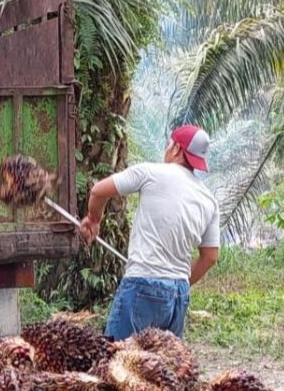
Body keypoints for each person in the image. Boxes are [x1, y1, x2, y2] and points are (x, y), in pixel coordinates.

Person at [78, 125, 220, 341]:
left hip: (142, 284)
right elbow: (210, 257)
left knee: (116, 358)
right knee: (165, 366)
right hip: (178, 293)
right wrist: (174, 283)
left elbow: (98, 190)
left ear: (176, 149)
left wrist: (94, 219)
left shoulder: (150, 172)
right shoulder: (208, 199)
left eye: (169, 144)